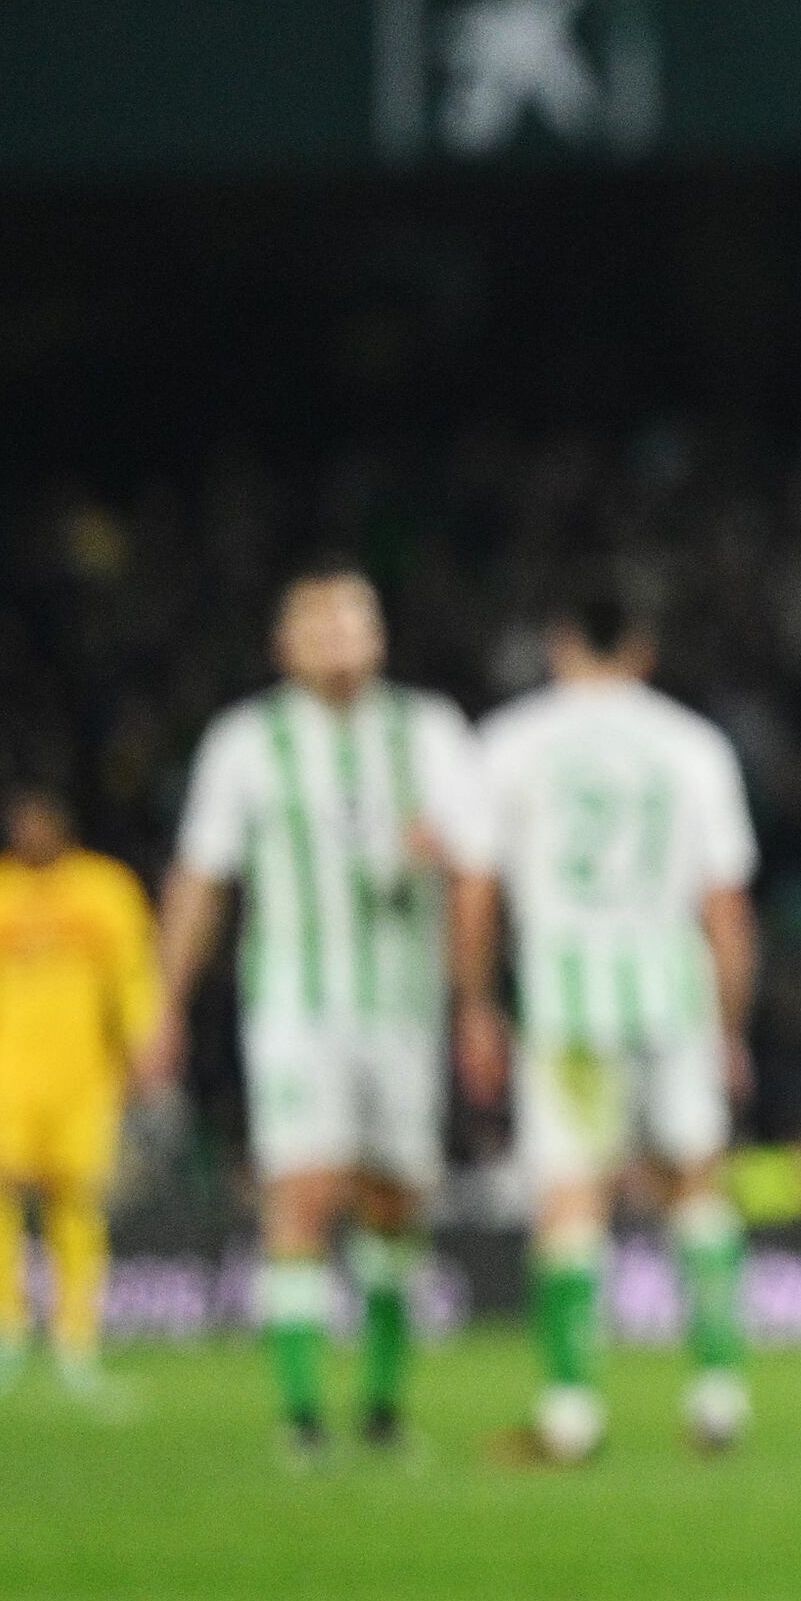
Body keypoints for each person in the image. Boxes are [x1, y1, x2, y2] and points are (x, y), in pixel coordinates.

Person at [144, 570, 495, 1466]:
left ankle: (380, 1408)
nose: (340, 636)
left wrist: (474, 1001)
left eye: (356, 620)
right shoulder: (246, 743)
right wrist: (162, 998)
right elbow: (201, 878)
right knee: (299, 1195)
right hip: (295, 1008)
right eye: (321, 622)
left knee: (393, 1202)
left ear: (380, 637)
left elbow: (476, 870)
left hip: (403, 1009)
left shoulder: (430, 731)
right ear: (284, 643)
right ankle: (301, 1416)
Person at [466, 579, 762, 1465]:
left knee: (571, 1193)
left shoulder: (511, 742)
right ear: (642, 651)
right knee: (695, 1186)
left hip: (567, 995)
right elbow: (725, 905)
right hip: (673, 985)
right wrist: (732, 1024)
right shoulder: (693, 745)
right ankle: (718, 1395)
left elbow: (478, 891)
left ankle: (572, 1413)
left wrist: (476, 1004)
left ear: (560, 645)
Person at [0, 786, 156, 1397]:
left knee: (77, 1198)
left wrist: (144, 1049)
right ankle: (4, 1328)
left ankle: (75, 1337)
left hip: (84, 1076)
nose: (31, 834)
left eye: (40, 823)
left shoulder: (107, 891)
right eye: (20, 824)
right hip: (3, 1075)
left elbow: (133, 980)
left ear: (63, 826)